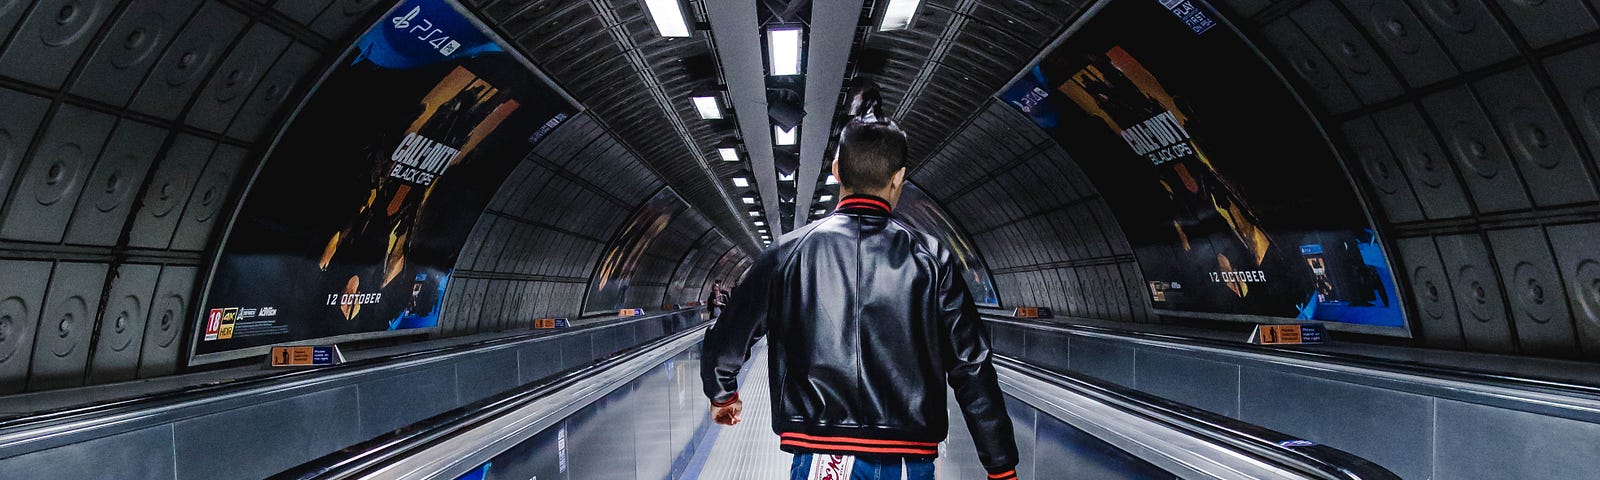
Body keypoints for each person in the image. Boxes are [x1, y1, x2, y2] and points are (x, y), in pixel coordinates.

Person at [700, 86, 1019, 480]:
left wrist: (723, 392)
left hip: (825, 454)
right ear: (898, 177)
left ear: (836, 171)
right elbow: (971, 364)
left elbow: (732, 330)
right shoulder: (931, 256)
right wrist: (1000, 464)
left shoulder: (788, 254)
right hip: (910, 457)